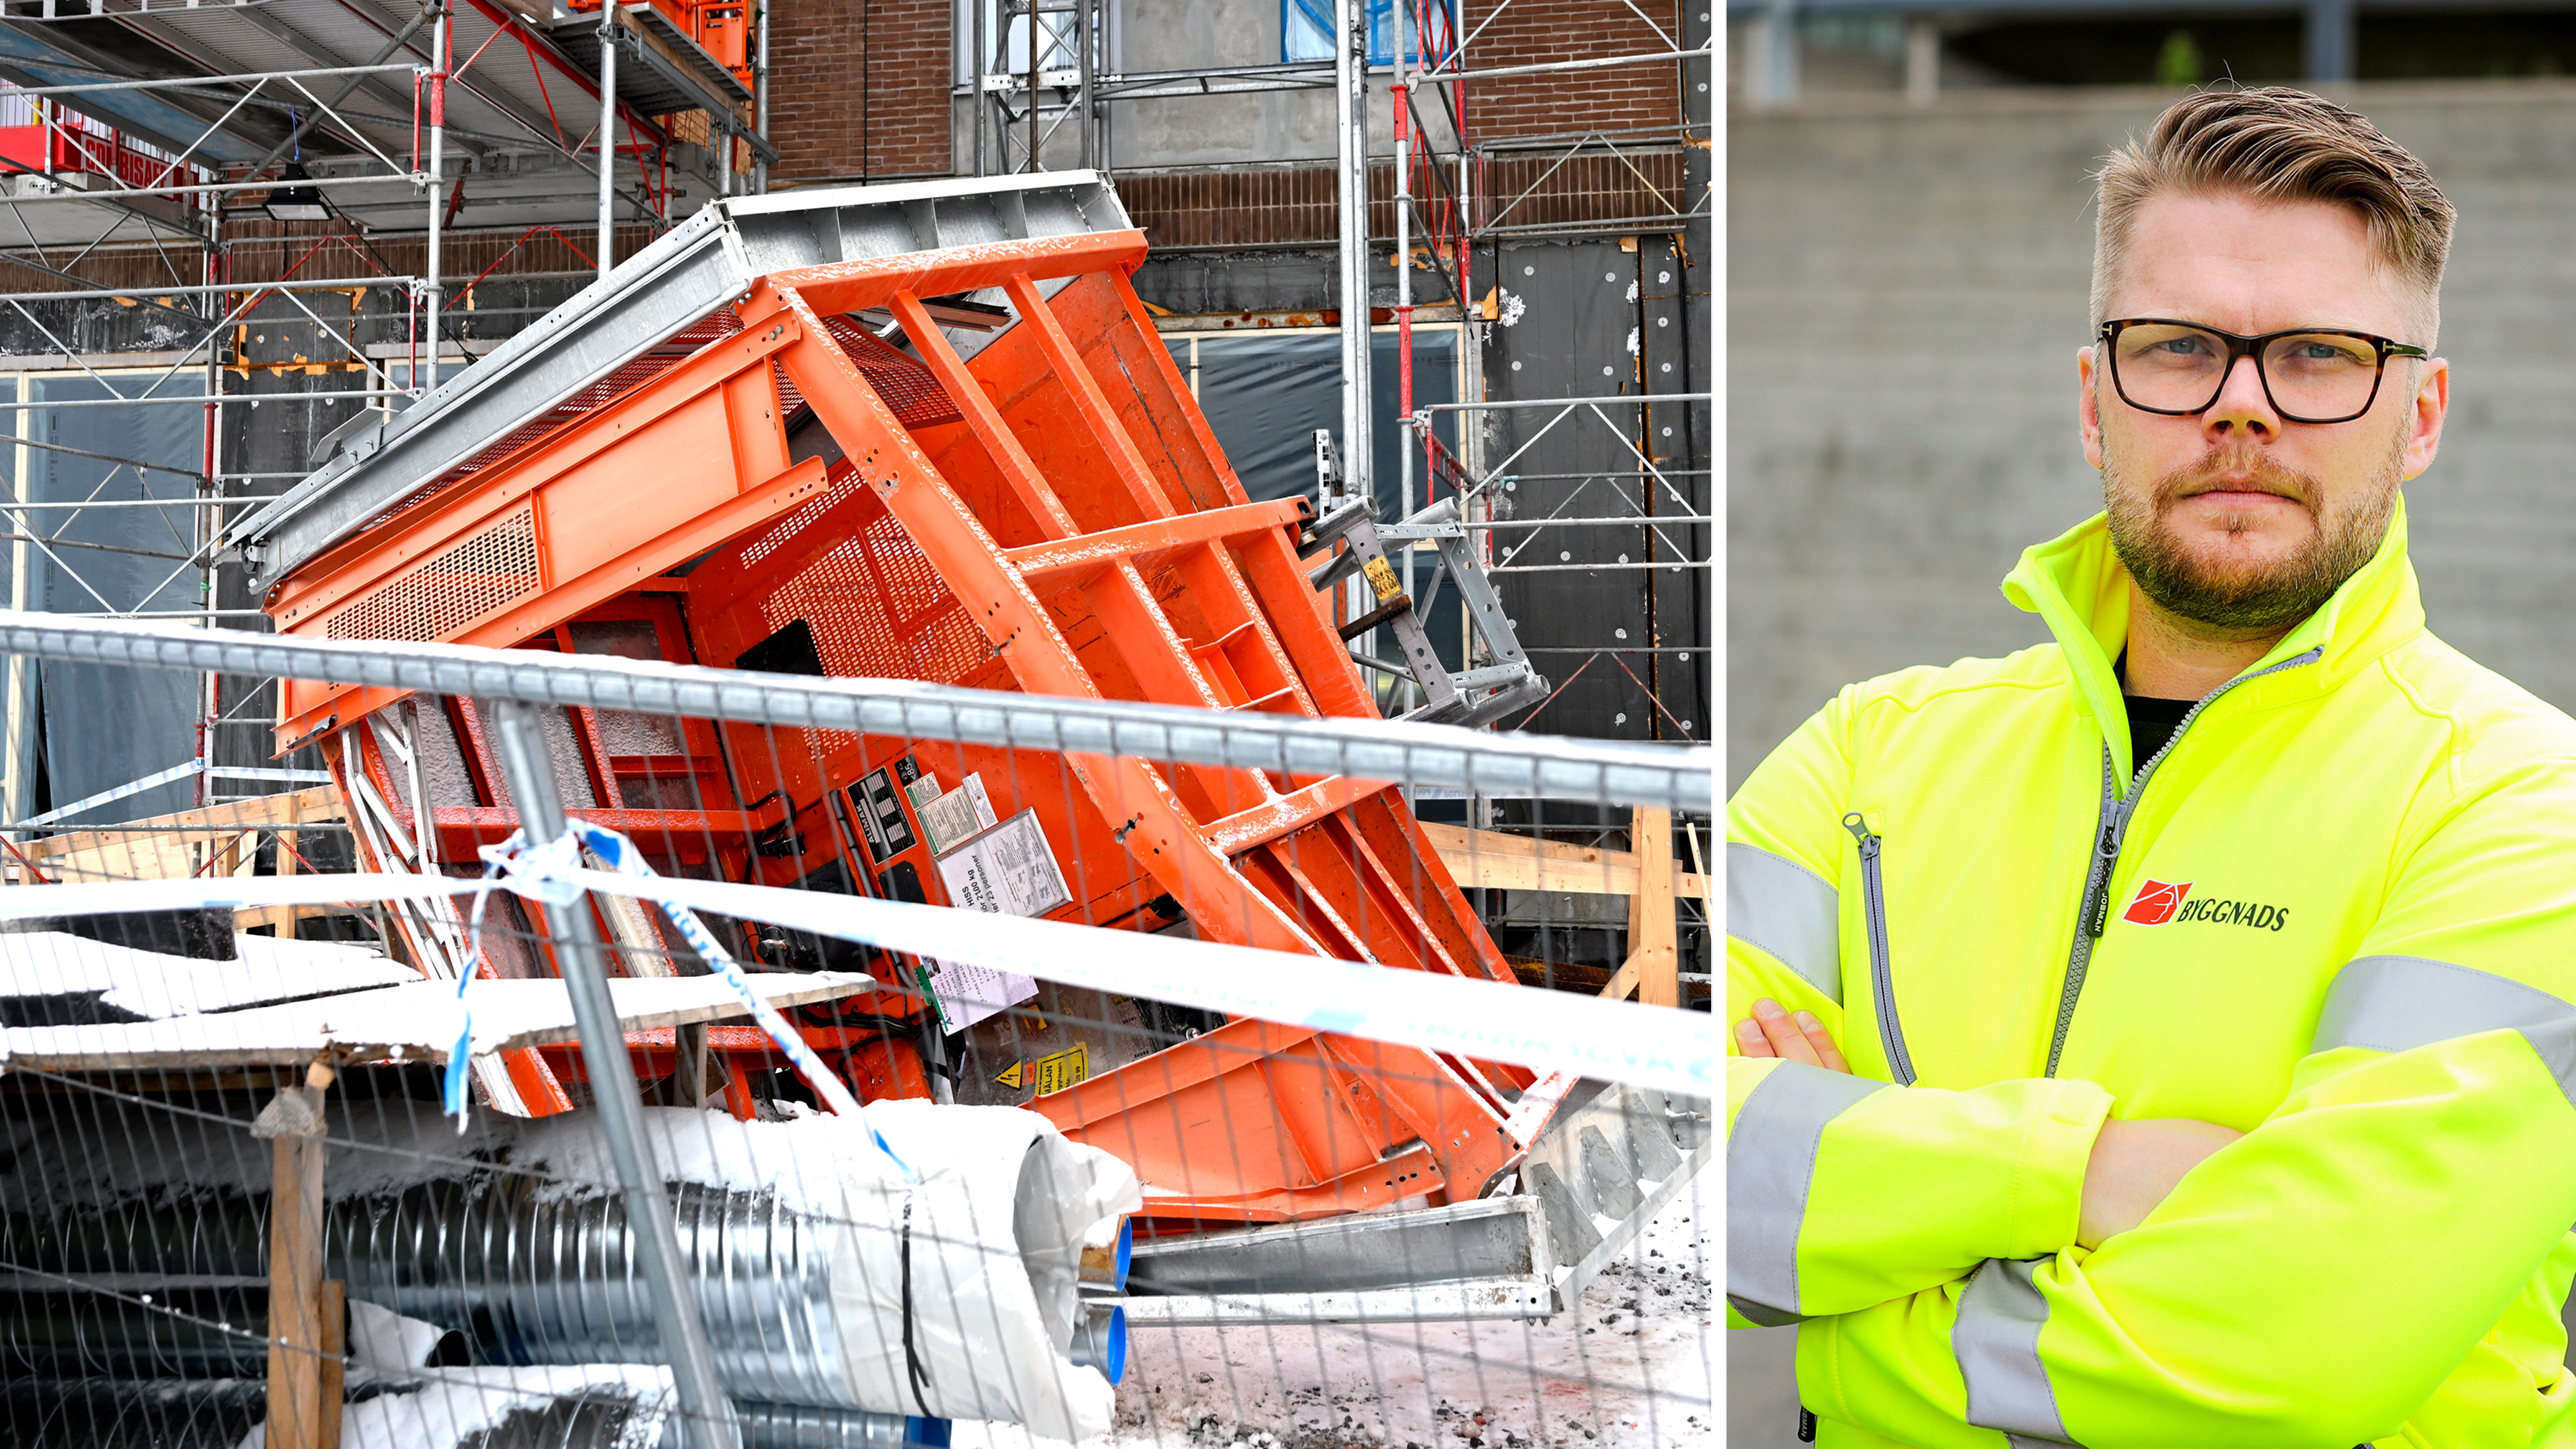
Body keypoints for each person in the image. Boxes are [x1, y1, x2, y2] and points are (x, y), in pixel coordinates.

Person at [1726, 87, 2576, 1446]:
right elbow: (1659, 1184)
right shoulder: (1859, 761)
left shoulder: (2526, 810)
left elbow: (2290, 1346)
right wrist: (2080, 1171)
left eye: (2315, 356)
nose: (2238, 408)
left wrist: (1845, 1317)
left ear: (2416, 415)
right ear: (2092, 399)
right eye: (2178, 348)